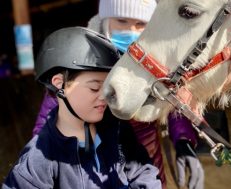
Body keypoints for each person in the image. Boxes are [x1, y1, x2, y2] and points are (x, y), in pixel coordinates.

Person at [32, 0, 204, 189]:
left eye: (140, 24)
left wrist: (183, 139)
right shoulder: (78, 58)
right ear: (105, 20)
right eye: (121, 21)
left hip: (146, 159)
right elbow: (48, 118)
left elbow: (171, 97)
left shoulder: (156, 60)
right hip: (91, 166)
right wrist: (42, 162)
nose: (130, 30)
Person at [3, 27, 161, 189]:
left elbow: (142, 170)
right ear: (59, 84)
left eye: (107, 88)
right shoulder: (37, 164)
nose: (103, 96)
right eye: (94, 88)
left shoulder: (117, 128)